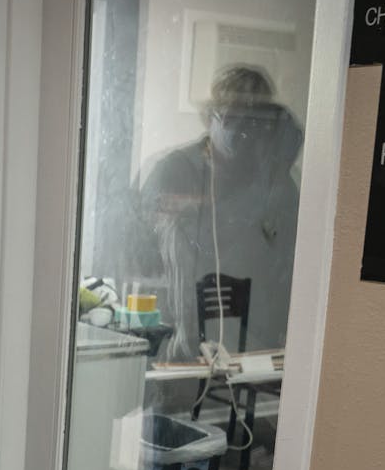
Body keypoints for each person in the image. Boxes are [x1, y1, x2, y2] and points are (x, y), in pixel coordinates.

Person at [112, 64, 303, 362]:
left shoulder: (274, 182)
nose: (242, 131)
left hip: (253, 339)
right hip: (175, 335)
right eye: (233, 116)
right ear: (212, 115)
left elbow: (288, 257)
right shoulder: (175, 169)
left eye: (254, 121)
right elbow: (139, 251)